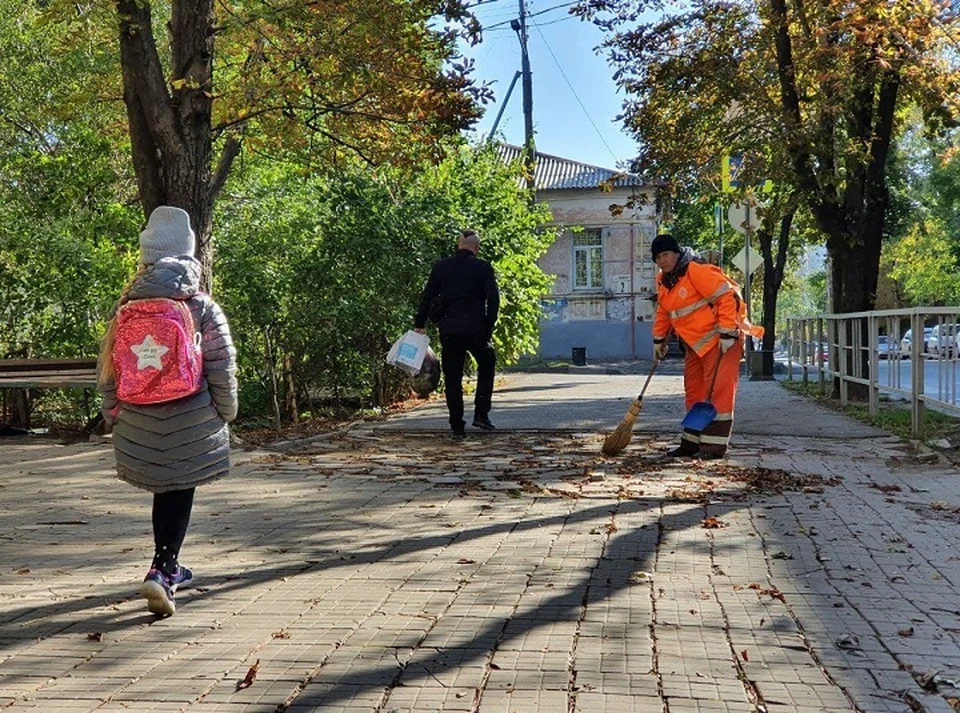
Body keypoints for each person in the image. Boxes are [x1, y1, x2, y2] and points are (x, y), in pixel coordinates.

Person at [98, 206, 238, 616]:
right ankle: (164, 568)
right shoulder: (199, 305)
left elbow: (107, 367)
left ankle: (168, 564)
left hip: (137, 414)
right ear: (189, 254)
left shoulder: (125, 307)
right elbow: (221, 363)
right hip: (191, 414)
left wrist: (113, 412)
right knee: (180, 486)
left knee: (166, 487)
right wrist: (225, 411)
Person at [650, 234, 762, 459]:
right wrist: (659, 339)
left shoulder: (696, 270)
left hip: (721, 341)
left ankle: (713, 446)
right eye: (658, 257)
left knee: (718, 392)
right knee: (694, 392)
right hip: (695, 344)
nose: (662, 260)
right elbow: (665, 311)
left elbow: (727, 298)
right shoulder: (664, 280)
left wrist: (728, 331)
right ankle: (691, 443)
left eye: (665, 254)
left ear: (676, 252)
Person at [414, 229, 499, 437]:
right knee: (487, 364)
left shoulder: (442, 267)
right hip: (476, 329)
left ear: (458, 245)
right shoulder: (482, 268)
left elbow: (427, 296)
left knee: (453, 376)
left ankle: (456, 425)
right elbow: (493, 299)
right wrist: (488, 325)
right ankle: (481, 415)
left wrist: (419, 323)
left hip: (449, 330)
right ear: (476, 248)